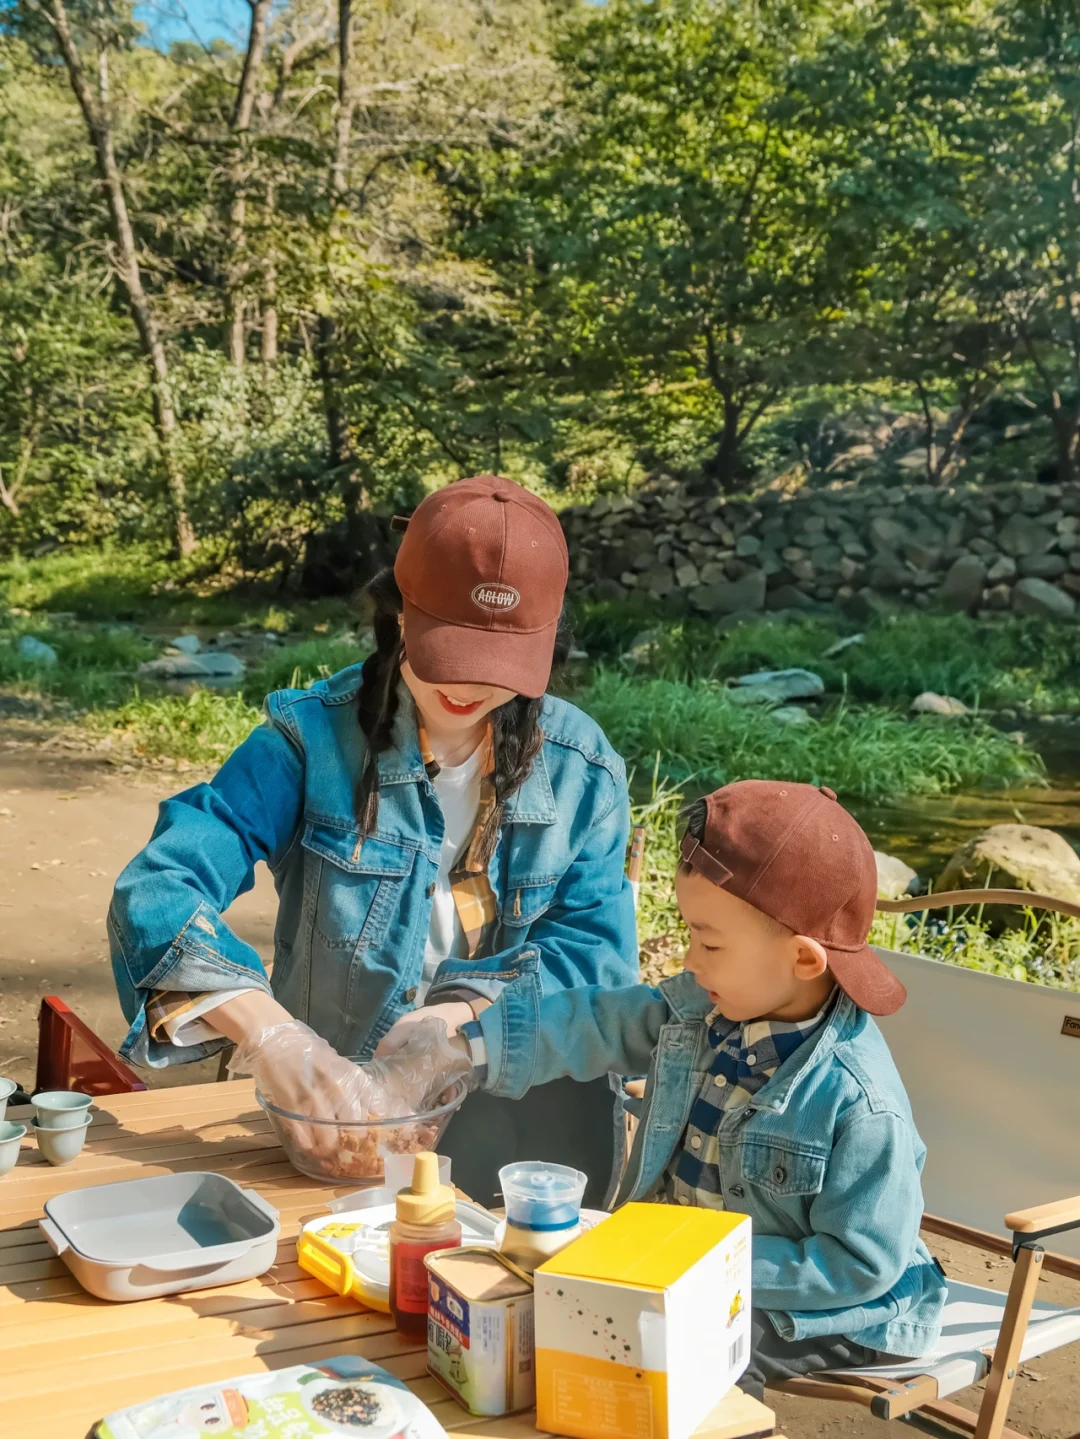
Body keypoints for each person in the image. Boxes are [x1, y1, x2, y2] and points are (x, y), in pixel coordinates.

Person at [108, 474, 639, 1204]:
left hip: (525, 1118)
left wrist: (458, 1023)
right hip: (338, 1118)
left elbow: (597, 959)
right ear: (396, 610)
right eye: (451, 649)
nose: (468, 688)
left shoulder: (585, 769)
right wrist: (270, 1035)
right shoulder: (309, 741)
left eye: (498, 664)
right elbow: (159, 887)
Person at [387, 780, 948, 1398]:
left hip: (828, 1307)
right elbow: (597, 1022)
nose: (690, 959)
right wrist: (469, 1044)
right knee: (560, 1307)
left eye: (709, 941)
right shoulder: (706, 1009)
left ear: (804, 960)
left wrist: (694, 1263)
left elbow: (860, 1264)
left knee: (697, 1346)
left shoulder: (860, 1103)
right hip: (676, 1261)